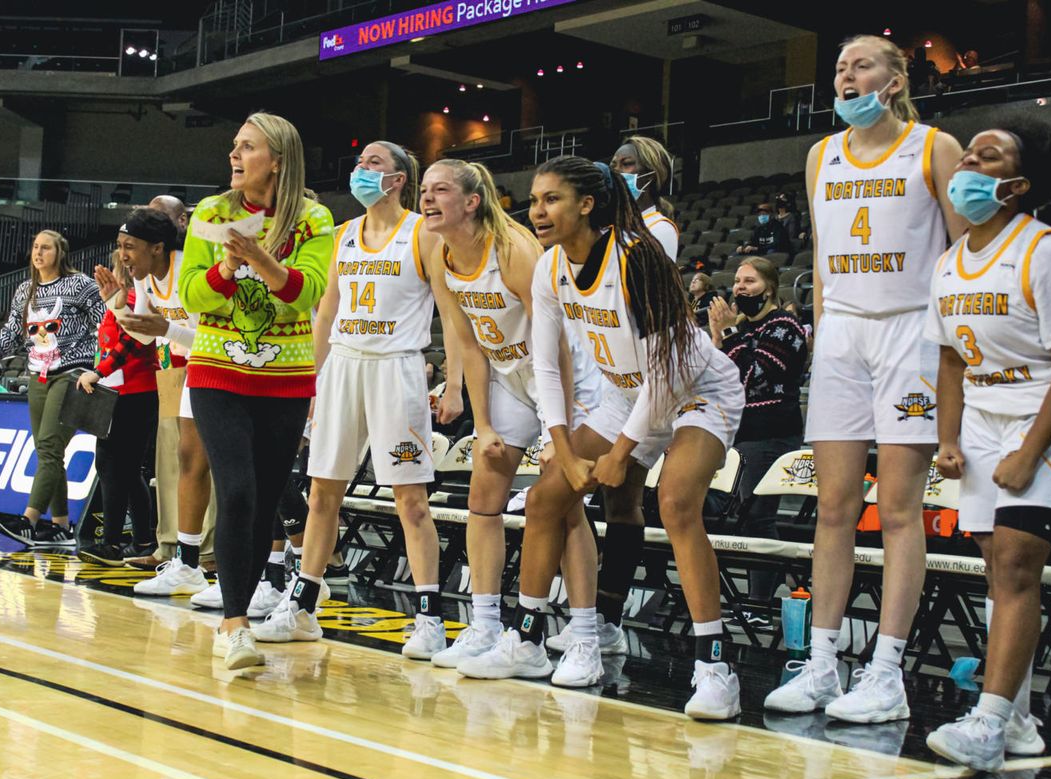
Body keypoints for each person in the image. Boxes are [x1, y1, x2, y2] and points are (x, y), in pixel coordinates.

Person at [458, 157, 746, 721]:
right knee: (546, 497)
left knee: (676, 503)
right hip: (623, 392)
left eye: (551, 200)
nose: (537, 211)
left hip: (694, 388)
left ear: (586, 205)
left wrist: (619, 454)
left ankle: (715, 668)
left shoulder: (638, 258)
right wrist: (562, 448)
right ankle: (532, 640)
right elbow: (545, 365)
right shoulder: (548, 269)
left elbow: (668, 371)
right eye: (534, 200)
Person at [763, 34, 965, 723]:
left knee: (901, 508)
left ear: (897, 76)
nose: (847, 75)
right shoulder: (822, 155)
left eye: (863, 64)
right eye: (841, 67)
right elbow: (821, 259)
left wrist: (954, 353)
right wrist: (824, 338)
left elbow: (968, 253)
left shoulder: (934, 146)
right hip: (844, 334)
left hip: (912, 330)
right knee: (833, 507)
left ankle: (886, 672)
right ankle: (821, 663)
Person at [251, 139, 463, 662]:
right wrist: (309, 379)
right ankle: (303, 606)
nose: (360, 170)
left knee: (410, 501)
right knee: (322, 492)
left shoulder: (423, 234)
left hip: (398, 369)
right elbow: (324, 317)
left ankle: (430, 618)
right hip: (343, 365)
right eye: (360, 161)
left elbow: (451, 316)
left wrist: (454, 382)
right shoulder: (342, 235)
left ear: (398, 178)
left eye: (374, 163)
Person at [925, 120, 1051, 771]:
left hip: (1048, 413)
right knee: (999, 572)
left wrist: (1029, 449)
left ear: (1016, 185)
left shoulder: (1047, 252)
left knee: (1019, 566)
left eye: (986, 156)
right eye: (968, 150)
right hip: (984, 417)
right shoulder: (949, 260)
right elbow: (948, 361)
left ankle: (989, 723)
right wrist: (947, 436)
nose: (967, 161)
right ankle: (1018, 718)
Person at [419, 157, 605, 685]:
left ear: (472, 202)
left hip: (561, 375)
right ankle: (484, 624)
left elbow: (561, 345)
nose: (427, 199)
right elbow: (471, 342)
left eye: (440, 191)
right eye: (424, 190)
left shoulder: (515, 252)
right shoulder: (440, 254)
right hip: (507, 374)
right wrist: (484, 427)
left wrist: (555, 432)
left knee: (561, 500)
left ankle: (583, 637)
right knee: (485, 491)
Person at [179, 112, 334, 670]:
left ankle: (242, 609)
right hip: (218, 370)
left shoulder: (315, 218)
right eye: (234, 146)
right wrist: (226, 267)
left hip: (287, 379)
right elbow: (193, 295)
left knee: (267, 499)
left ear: (278, 159)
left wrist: (260, 257)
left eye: (247, 147)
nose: (234, 156)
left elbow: (304, 293)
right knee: (239, 491)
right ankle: (234, 624)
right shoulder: (210, 213)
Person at [0, 229, 106, 547]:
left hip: (73, 374)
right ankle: (61, 527)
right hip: (38, 376)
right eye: (35, 247)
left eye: (45, 248)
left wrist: (101, 368)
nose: (38, 253)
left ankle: (29, 520)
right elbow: (11, 328)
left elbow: (106, 325)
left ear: (59, 253)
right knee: (50, 453)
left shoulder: (80, 285)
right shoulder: (25, 290)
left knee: (49, 447)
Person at [120, 197, 218, 592]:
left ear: (157, 248)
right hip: (187, 367)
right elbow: (147, 333)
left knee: (212, 466)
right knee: (187, 460)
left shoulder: (188, 271)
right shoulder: (143, 278)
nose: (123, 255)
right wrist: (116, 304)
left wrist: (167, 331)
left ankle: (225, 559)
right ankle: (186, 560)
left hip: (218, 365)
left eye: (129, 247)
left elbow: (212, 337)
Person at [708, 258, 808, 623]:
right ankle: (749, 599)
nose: (739, 287)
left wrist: (727, 335)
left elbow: (751, 376)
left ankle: (761, 605)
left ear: (769, 286)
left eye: (749, 280)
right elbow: (719, 378)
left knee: (758, 515)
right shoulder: (742, 328)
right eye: (736, 280)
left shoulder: (784, 326)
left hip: (771, 433)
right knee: (732, 514)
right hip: (736, 432)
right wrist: (719, 337)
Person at [76, 238, 164, 567]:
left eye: (122, 264)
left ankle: (112, 542)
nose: (118, 269)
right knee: (122, 471)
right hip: (117, 393)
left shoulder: (132, 302)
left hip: (135, 393)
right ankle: (141, 539)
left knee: (117, 469)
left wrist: (98, 372)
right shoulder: (118, 303)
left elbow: (128, 345)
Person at [610, 134, 678, 260]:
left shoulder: (660, 228)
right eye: (613, 166)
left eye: (626, 164)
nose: (616, 171)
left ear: (650, 175)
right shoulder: (608, 223)